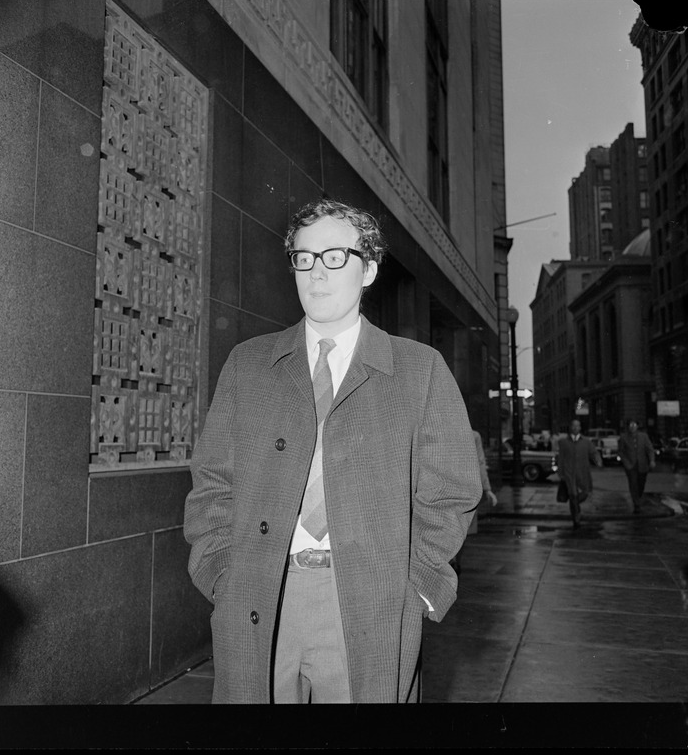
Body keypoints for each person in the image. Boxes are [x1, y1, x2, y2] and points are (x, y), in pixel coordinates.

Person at [183, 198, 482, 704]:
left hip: (371, 605)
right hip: (259, 596)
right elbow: (213, 481)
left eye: (335, 256)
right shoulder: (248, 365)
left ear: (369, 269)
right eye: (303, 257)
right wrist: (220, 575)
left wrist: (419, 591)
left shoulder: (419, 370)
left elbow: (451, 493)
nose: (316, 273)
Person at [451, 429, 497, 575]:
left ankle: (454, 562)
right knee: (458, 529)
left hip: (462, 489)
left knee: (458, 529)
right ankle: (454, 563)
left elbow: (480, 462)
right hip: (458, 488)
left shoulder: (472, 435)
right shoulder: (472, 435)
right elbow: (480, 462)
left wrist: (487, 488)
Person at [556, 418, 602, 529]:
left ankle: (575, 506)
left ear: (580, 428)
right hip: (569, 474)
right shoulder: (563, 442)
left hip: (582, 473)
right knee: (573, 495)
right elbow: (561, 458)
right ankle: (576, 518)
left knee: (584, 493)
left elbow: (594, 453)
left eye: (578, 426)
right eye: (573, 426)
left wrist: (598, 460)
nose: (575, 428)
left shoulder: (586, 442)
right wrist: (560, 472)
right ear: (570, 428)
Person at [617, 419, 656, 513]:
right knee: (633, 484)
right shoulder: (623, 437)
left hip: (642, 465)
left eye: (634, 425)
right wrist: (626, 463)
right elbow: (621, 452)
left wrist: (652, 460)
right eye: (630, 425)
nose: (632, 427)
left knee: (641, 484)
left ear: (637, 426)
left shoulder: (644, 436)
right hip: (630, 466)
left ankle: (637, 498)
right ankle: (636, 503)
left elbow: (650, 449)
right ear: (628, 427)